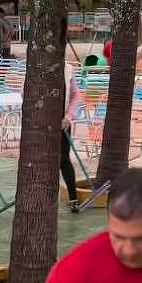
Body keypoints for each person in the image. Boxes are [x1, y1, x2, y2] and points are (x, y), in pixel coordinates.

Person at [61, 44, 82, 212]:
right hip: (42, 124)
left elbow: (75, 95)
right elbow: (26, 93)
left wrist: (69, 116)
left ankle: (73, 198)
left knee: (64, 160)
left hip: (63, 123)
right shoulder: (36, 67)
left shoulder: (68, 69)